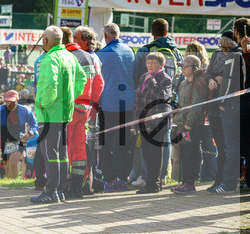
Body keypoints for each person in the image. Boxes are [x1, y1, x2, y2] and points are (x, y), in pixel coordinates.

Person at [31, 26, 85, 204]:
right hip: (64, 111)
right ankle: (59, 191)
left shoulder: (49, 58)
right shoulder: (69, 56)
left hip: (49, 113)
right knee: (62, 153)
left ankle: (51, 191)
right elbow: (82, 79)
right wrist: (70, 96)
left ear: (45, 41)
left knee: (50, 153)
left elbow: (50, 85)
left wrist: (43, 104)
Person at [63, 27, 103, 198]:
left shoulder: (66, 56)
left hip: (69, 108)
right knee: (79, 147)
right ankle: (78, 187)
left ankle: (65, 186)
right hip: (85, 109)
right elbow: (100, 83)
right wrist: (91, 102)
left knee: (66, 147)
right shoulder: (92, 58)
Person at [97, 23, 137, 192]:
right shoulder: (130, 51)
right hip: (127, 103)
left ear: (106, 37)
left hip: (108, 104)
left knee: (107, 144)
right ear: (119, 35)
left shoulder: (101, 54)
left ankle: (108, 179)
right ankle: (122, 178)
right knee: (125, 143)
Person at [206, 29, 245, 193]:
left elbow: (236, 80)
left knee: (229, 145)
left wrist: (223, 81)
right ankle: (219, 179)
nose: (223, 51)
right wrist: (211, 80)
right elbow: (207, 72)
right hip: (215, 105)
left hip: (228, 104)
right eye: (221, 47)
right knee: (220, 146)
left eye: (226, 47)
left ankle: (228, 180)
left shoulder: (237, 56)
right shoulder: (215, 55)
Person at [133, 52, 173, 194]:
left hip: (158, 123)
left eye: (153, 63)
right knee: (146, 154)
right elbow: (138, 100)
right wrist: (135, 121)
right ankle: (149, 182)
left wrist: (151, 82)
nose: (149, 65)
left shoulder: (165, 78)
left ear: (161, 64)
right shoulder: (144, 77)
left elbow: (162, 97)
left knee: (155, 154)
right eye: (147, 62)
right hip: (144, 122)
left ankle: (155, 184)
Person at [172, 56, 209, 195]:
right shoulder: (183, 83)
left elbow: (196, 107)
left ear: (195, 68)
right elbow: (180, 104)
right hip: (182, 124)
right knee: (184, 153)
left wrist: (188, 126)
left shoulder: (199, 83)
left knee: (192, 153)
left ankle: (190, 182)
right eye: (182, 67)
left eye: (186, 67)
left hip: (193, 126)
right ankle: (184, 181)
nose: (183, 69)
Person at [0, 90, 36, 179]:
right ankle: (9, 184)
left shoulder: (25, 110)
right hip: (5, 140)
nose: (9, 104)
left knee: (13, 162)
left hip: (20, 140)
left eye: (12, 102)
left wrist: (29, 134)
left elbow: (34, 123)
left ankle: (12, 184)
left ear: (17, 101)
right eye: (8, 101)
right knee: (7, 166)